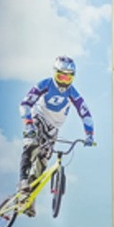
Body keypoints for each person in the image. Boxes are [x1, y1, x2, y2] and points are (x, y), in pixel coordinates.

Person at [18, 56, 94, 216]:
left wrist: (89, 135)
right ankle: (22, 180)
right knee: (32, 144)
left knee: (43, 162)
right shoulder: (44, 84)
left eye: (69, 77)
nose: (64, 81)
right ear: (55, 74)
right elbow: (25, 103)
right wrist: (28, 123)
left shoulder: (73, 93)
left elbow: (85, 113)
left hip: (54, 128)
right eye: (61, 76)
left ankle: (29, 199)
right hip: (38, 117)